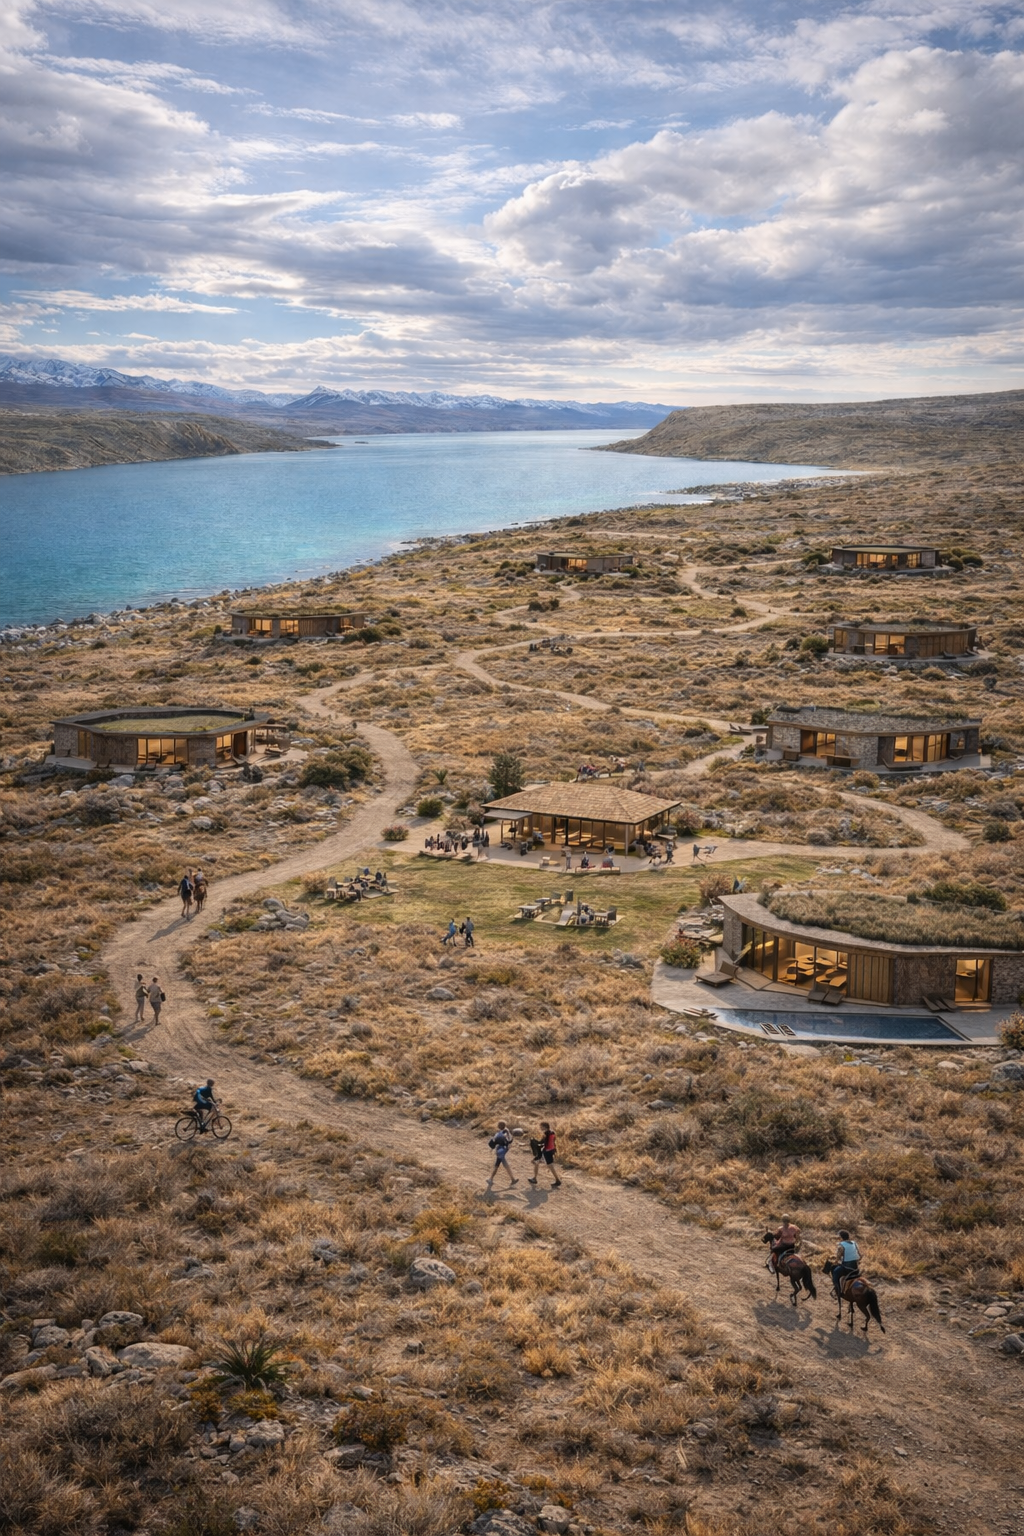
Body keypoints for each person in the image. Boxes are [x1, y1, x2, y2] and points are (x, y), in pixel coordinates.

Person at [529, 1121, 561, 1187]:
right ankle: (535, 1178)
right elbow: (551, 1142)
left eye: (541, 1127)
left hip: (546, 1152)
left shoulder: (546, 1134)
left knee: (541, 1163)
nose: (540, 1128)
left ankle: (557, 1180)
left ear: (544, 1127)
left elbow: (544, 1144)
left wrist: (536, 1143)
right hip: (550, 1151)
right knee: (544, 1164)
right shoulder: (552, 1132)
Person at [831, 1230, 861, 1300]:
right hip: (856, 1268)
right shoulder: (855, 1243)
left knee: (835, 1272)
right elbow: (860, 1255)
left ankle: (838, 1291)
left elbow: (837, 1258)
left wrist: (835, 1262)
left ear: (841, 1237)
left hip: (846, 1268)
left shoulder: (841, 1245)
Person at [487, 1121, 517, 1186]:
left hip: (500, 1150)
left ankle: (491, 1179)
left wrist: (492, 1147)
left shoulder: (499, 1133)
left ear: (499, 1126)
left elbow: (493, 1142)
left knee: (497, 1164)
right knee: (504, 1163)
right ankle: (513, 1179)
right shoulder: (507, 1132)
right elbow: (510, 1140)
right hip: (505, 1149)